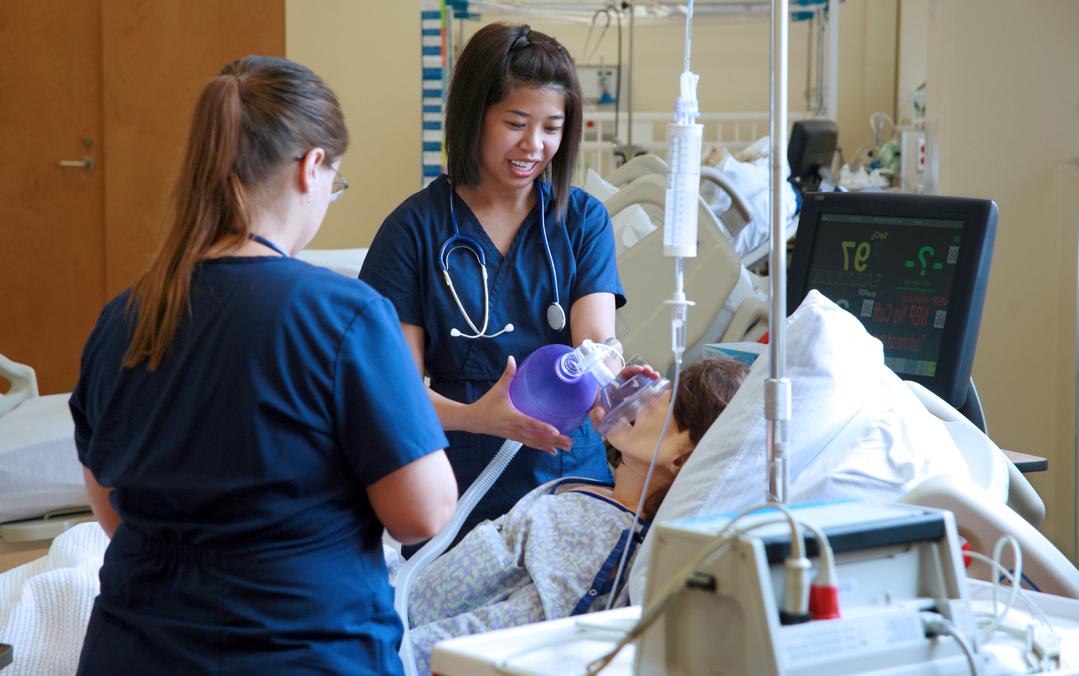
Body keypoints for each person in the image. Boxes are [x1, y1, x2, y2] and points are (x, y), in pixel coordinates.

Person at [69, 55, 457, 675]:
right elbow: (422, 514)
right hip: (302, 651)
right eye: (337, 181)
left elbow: (111, 507)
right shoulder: (344, 315)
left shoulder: (125, 317)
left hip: (135, 650)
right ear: (312, 168)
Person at [360, 23, 631, 544]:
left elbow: (597, 341)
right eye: (516, 122)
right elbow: (394, 392)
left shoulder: (581, 221)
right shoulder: (413, 231)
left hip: (569, 485)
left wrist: (612, 375)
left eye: (552, 127)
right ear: (473, 117)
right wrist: (476, 418)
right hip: (459, 494)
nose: (534, 145)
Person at [400, 357, 750, 675]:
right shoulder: (593, 493)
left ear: (681, 460)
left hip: (403, 646)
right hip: (396, 610)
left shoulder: (610, 542)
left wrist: (388, 652)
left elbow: (507, 635)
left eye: (669, 400)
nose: (649, 393)